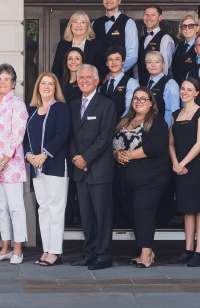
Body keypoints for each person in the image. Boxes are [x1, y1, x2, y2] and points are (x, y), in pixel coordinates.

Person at [112, 87, 170, 269]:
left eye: (143, 99)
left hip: (150, 178)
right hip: (125, 179)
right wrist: (116, 155)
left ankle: (147, 254)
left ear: (151, 102)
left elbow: (154, 147)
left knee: (143, 212)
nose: (138, 101)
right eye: (136, 98)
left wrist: (127, 155)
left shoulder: (157, 122)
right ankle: (143, 251)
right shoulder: (124, 121)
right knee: (133, 214)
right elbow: (112, 143)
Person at [69, 63, 118, 271]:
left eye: (88, 77)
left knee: (102, 214)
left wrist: (86, 158)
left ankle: (103, 254)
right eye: (81, 77)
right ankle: (90, 253)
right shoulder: (72, 105)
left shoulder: (107, 105)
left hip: (99, 169)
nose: (84, 80)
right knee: (86, 215)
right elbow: (69, 136)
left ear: (97, 81)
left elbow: (105, 137)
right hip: (80, 170)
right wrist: (76, 158)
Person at [24, 72, 70, 266]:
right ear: (38, 87)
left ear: (55, 88)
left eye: (51, 83)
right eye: (43, 83)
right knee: (43, 209)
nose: (47, 86)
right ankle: (46, 249)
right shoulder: (33, 111)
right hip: (37, 168)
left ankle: (55, 252)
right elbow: (25, 138)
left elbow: (62, 134)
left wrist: (44, 154)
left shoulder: (60, 108)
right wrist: (28, 156)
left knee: (56, 209)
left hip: (55, 166)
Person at [0, 63, 28, 264]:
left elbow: (17, 135)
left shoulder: (17, 104)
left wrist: (4, 161)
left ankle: (18, 249)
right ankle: (5, 248)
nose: (2, 82)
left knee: (15, 207)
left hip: (10, 164)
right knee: (0, 207)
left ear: (13, 83)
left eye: (6, 79)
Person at [169, 78, 200, 268]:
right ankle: (188, 249)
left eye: (189, 89)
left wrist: (183, 163)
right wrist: (176, 163)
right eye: (183, 89)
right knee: (187, 209)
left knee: (199, 209)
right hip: (179, 167)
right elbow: (171, 143)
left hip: (195, 167)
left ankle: (199, 252)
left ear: (197, 93)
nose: (185, 92)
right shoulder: (176, 114)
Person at [92, 0, 138, 75]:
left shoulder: (128, 23)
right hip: (98, 78)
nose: (109, 0)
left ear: (119, 1)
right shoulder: (95, 23)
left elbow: (132, 56)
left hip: (122, 78)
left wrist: (114, 73)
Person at [53, 11, 101, 83]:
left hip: (89, 88)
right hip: (67, 88)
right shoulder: (62, 45)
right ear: (71, 26)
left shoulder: (96, 45)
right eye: (75, 22)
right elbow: (56, 70)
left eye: (82, 22)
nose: (78, 25)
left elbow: (100, 71)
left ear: (87, 26)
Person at [139, 51, 179, 125]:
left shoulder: (170, 83)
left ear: (163, 64)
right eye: (149, 62)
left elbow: (173, 112)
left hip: (161, 128)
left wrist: (166, 130)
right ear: (146, 65)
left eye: (157, 62)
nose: (153, 65)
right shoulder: (143, 84)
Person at [98, 45, 137, 119]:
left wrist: (120, 127)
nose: (114, 63)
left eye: (117, 59)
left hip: (123, 127)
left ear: (123, 62)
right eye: (110, 60)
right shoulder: (101, 88)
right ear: (106, 63)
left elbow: (130, 110)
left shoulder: (131, 83)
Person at [139, 5, 174, 77]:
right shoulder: (141, 39)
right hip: (141, 85)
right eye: (146, 15)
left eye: (153, 15)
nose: (149, 18)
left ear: (160, 17)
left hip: (157, 85)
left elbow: (165, 67)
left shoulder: (165, 38)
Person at [170, 16, 200, 85]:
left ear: (197, 28)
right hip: (177, 87)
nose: (187, 28)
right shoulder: (179, 45)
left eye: (191, 26)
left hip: (192, 89)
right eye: (184, 26)